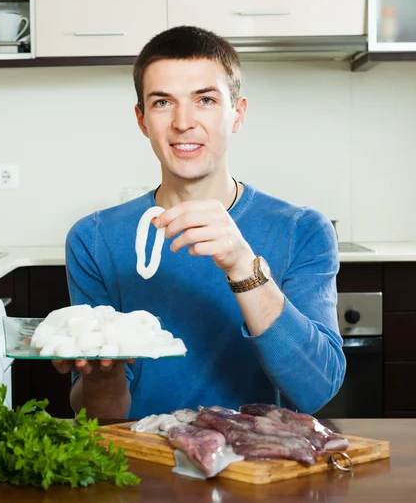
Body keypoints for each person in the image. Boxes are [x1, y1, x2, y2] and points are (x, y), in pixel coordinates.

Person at [53, 25, 345, 420]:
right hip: (142, 466)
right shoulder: (94, 239)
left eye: (205, 99)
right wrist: (101, 375)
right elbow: (101, 416)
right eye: (162, 103)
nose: (183, 122)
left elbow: (317, 389)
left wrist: (243, 266)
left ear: (237, 113)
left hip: (259, 469)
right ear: (142, 120)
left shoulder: (302, 231)